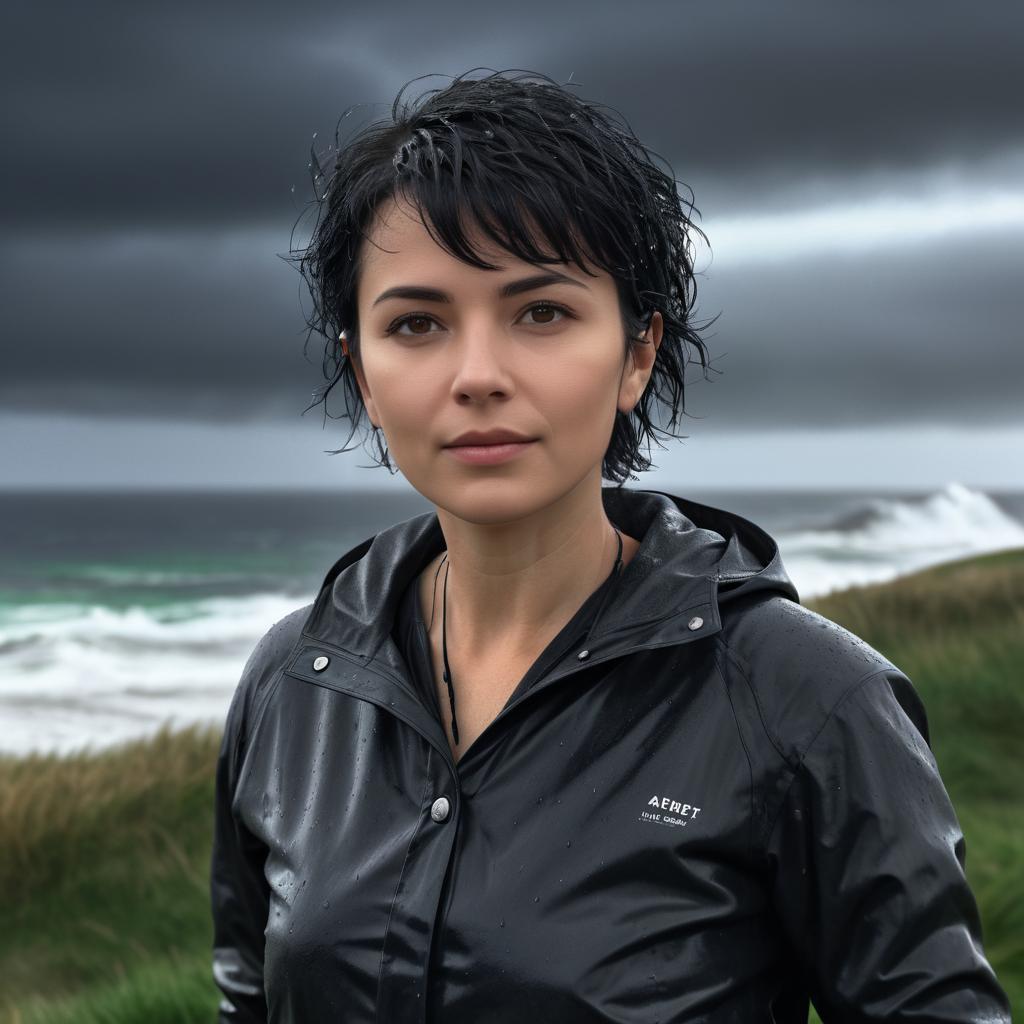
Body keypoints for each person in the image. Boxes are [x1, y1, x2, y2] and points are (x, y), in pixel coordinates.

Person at [209, 69, 1011, 1023]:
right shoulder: (294, 682)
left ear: (637, 351)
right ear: (364, 374)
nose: (477, 375)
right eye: (417, 324)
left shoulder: (808, 700)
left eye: (540, 312)